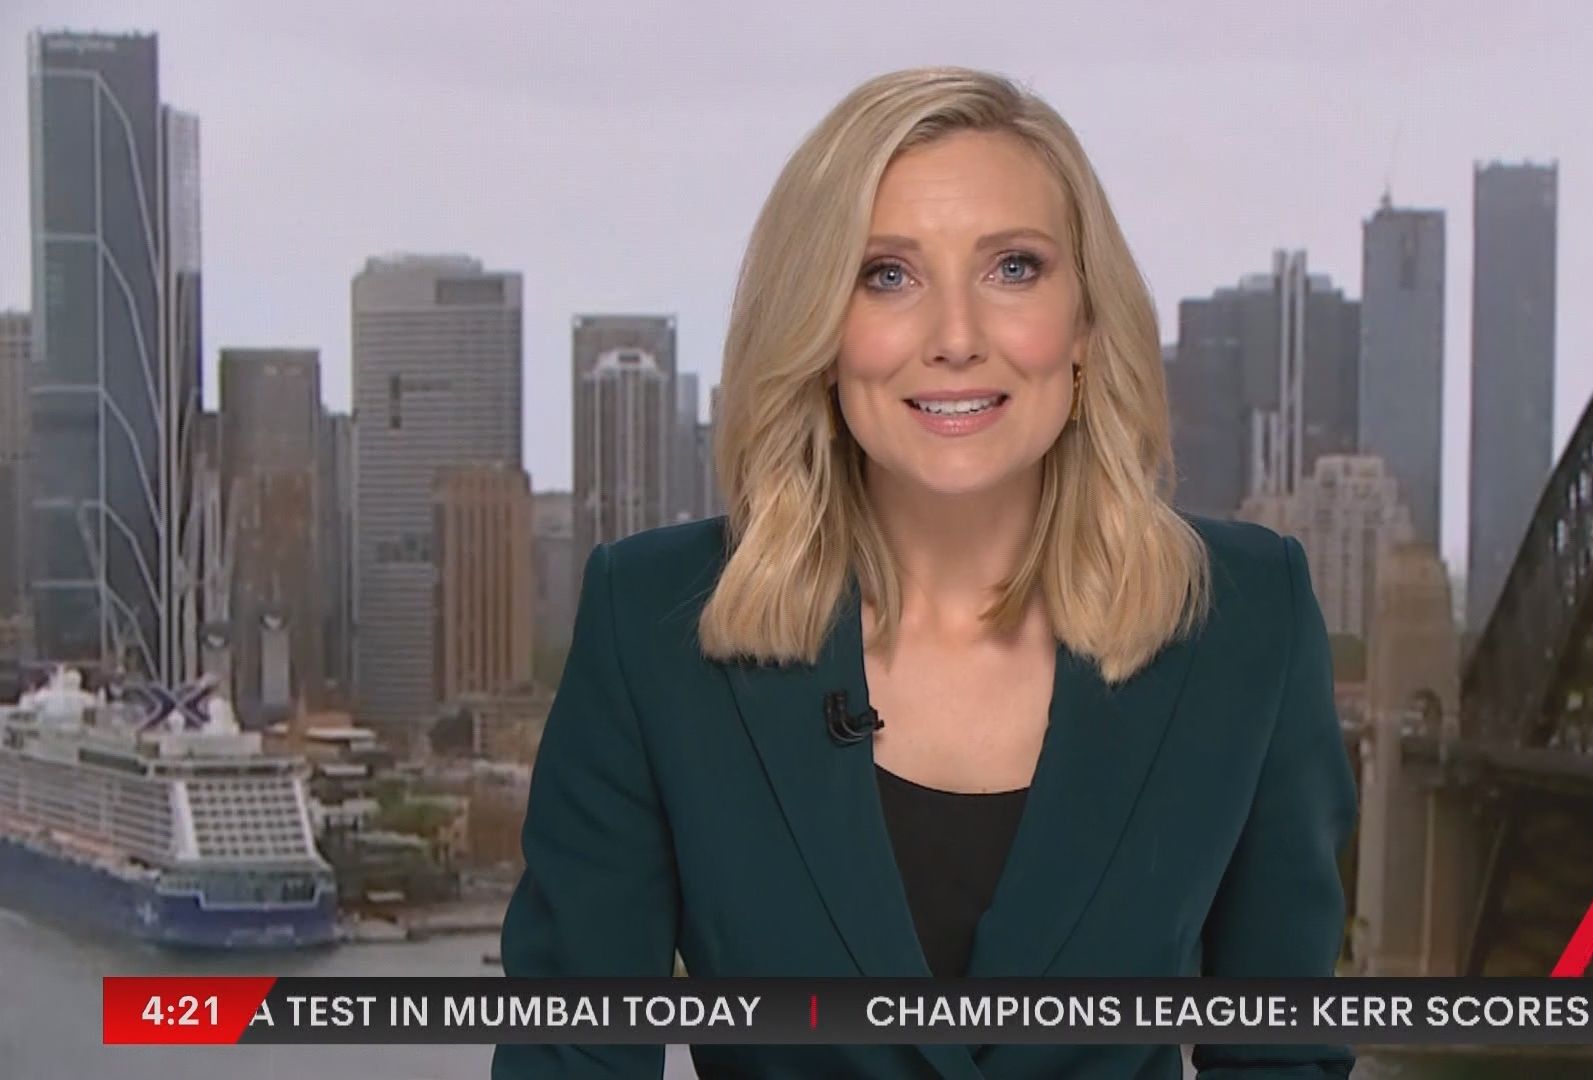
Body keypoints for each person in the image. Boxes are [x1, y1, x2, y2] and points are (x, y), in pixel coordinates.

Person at [493, 65, 1357, 1080]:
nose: (955, 339)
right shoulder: (651, 627)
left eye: (1014, 268)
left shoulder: (1249, 620)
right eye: (888, 275)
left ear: (1086, 326)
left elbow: (1280, 1053)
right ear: (819, 331)